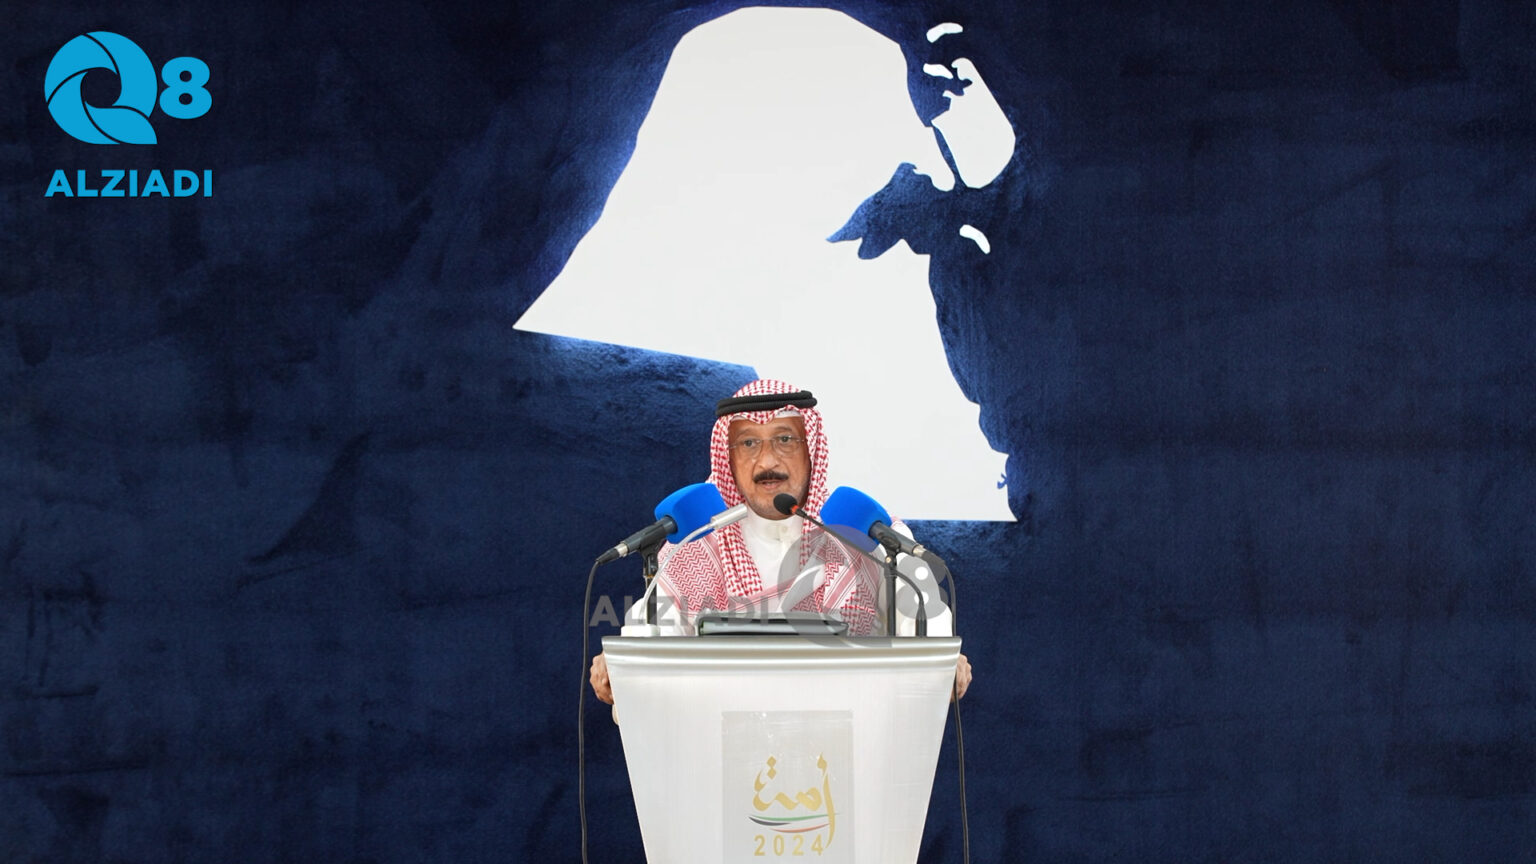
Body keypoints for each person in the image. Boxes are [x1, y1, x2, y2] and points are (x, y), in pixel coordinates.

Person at [589, 379, 972, 703]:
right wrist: (623, 666)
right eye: (748, 444)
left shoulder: (864, 532)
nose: (767, 461)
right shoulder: (695, 544)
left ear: (810, 450)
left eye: (784, 439)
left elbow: (922, 611)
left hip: (851, 737)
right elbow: (653, 629)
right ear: (728, 459)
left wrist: (940, 658)